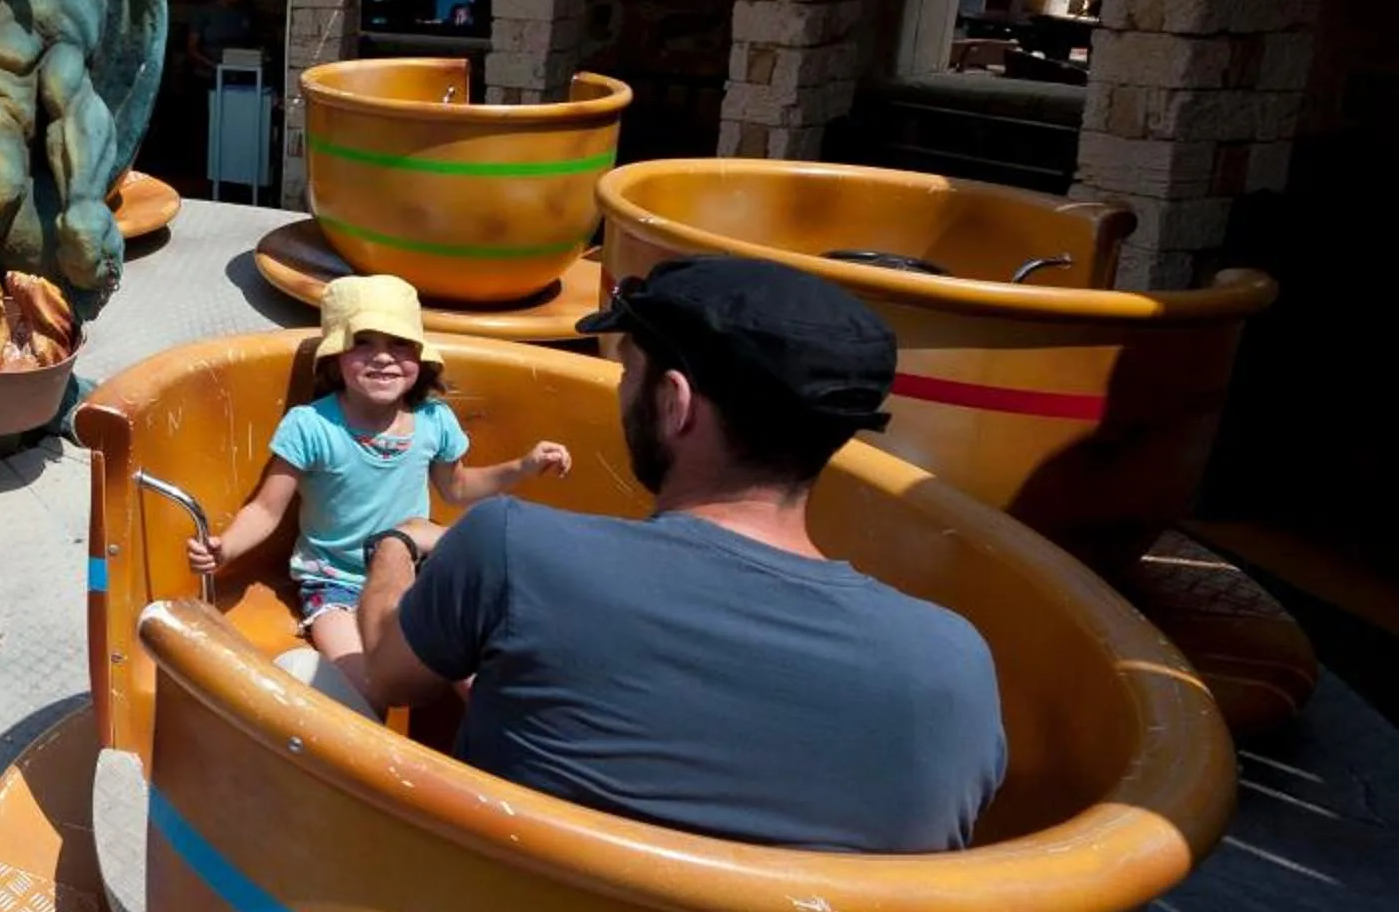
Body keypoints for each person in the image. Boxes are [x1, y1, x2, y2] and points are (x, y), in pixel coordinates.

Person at [354, 255, 1008, 854]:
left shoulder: (511, 548)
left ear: (674, 403)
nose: (619, 392)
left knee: (306, 671)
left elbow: (388, 674)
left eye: (626, 372)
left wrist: (398, 543)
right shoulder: (955, 667)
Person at [190, 276, 569, 702]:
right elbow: (266, 508)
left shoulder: (433, 420)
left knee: (475, 674)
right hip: (335, 583)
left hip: (414, 571)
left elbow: (458, 487)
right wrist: (226, 549)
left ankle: (488, 758)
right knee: (365, 683)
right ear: (335, 357)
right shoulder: (312, 426)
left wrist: (523, 466)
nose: (383, 358)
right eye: (363, 342)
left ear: (421, 357)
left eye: (399, 344)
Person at [182, 0, 257, 81]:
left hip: (236, 77)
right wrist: (214, 66)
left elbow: (249, 44)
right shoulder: (204, 12)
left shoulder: (244, 13)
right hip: (207, 77)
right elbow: (192, 49)